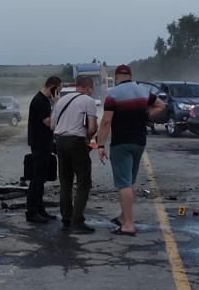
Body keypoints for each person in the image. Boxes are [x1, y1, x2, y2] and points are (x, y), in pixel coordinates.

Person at [96, 64, 166, 236]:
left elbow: (106, 121)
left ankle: (128, 224)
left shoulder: (113, 94)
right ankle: (123, 217)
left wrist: (100, 144)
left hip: (121, 143)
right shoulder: (142, 91)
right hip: (139, 142)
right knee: (130, 181)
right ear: (130, 76)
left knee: (123, 183)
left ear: (116, 76)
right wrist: (147, 115)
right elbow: (161, 105)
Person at [51, 76, 98, 234]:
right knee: (84, 182)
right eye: (92, 88)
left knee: (65, 182)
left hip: (60, 142)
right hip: (76, 142)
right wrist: (90, 139)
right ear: (88, 87)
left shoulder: (61, 101)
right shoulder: (88, 101)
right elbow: (92, 128)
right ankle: (77, 222)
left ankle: (66, 218)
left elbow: (53, 125)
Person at [26, 75, 62, 223]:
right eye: (58, 90)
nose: (59, 93)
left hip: (44, 142)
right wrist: (56, 104)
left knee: (41, 178)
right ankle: (32, 212)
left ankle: (40, 209)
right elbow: (50, 123)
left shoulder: (44, 100)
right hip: (39, 143)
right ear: (53, 88)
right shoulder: (40, 101)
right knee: (37, 179)